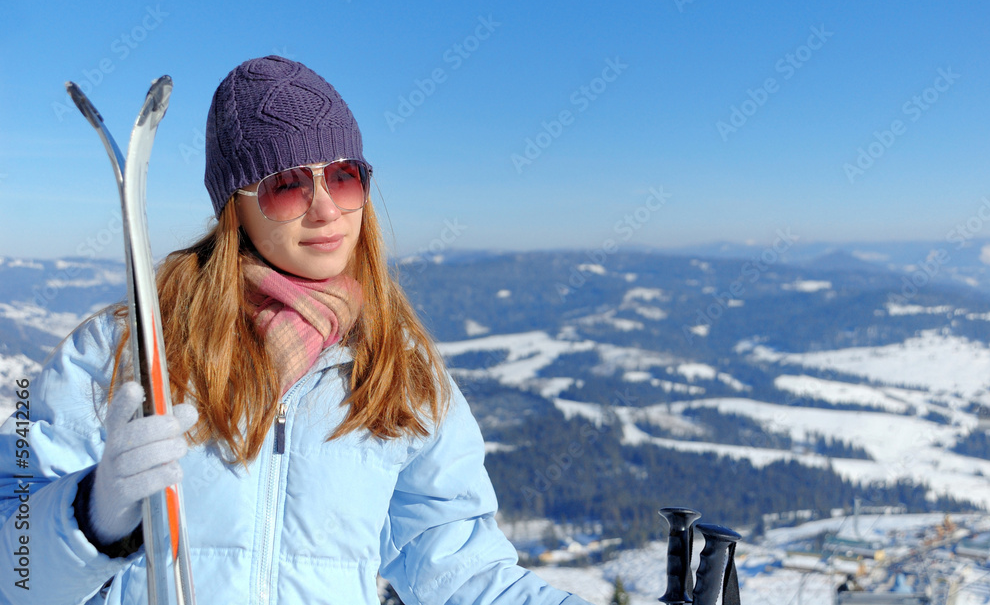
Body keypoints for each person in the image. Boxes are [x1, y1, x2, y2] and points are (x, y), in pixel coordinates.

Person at [0, 55, 592, 604]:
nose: (326, 208)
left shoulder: (395, 364)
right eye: (286, 184)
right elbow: (13, 567)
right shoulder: (123, 349)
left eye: (343, 176)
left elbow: (461, 569)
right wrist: (91, 518)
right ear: (236, 206)